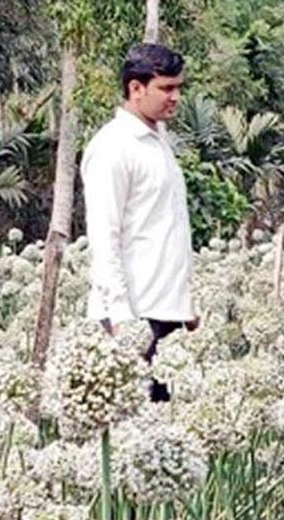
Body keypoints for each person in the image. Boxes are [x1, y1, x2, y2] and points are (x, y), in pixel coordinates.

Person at [81, 43, 198, 402]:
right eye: (166, 88)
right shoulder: (113, 147)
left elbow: (168, 228)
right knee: (134, 424)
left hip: (165, 311)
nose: (175, 97)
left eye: (178, 88)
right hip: (134, 316)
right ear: (136, 88)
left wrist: (186, 304)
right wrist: (120, 320)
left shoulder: (159, 142)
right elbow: (104, 237)